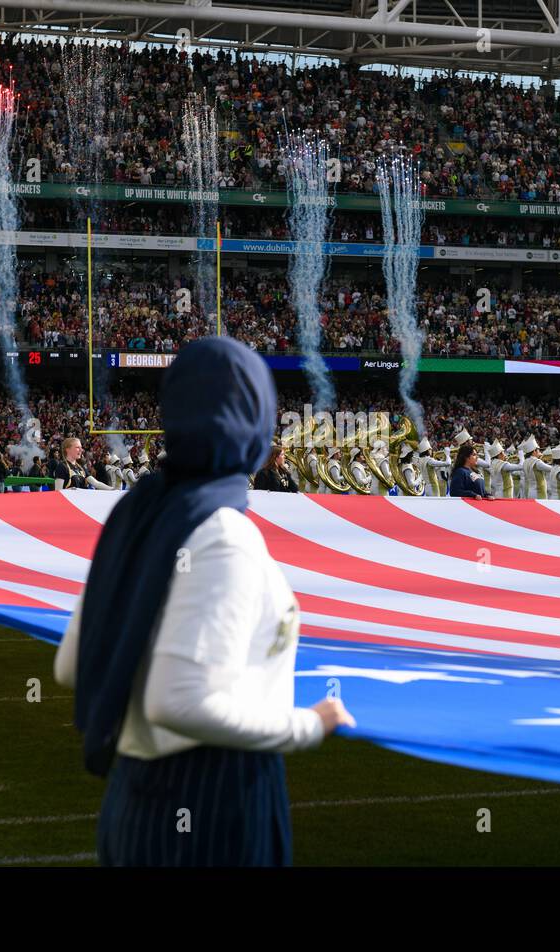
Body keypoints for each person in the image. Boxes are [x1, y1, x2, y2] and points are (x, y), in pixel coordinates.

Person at [53, 337, 354, 867]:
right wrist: (309, 725)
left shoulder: (140, 508)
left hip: (135, 798)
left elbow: (71, 665)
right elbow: (179, 702)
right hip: (211, 803)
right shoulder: (220, 532)